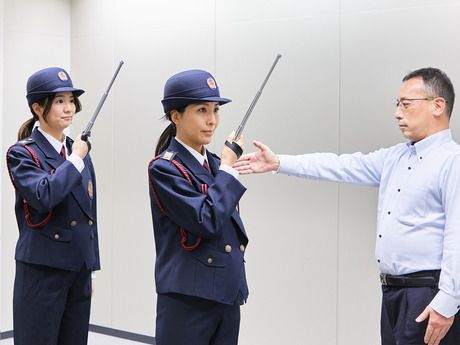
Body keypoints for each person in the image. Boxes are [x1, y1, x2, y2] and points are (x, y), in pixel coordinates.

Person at [234, 67, 460, 345]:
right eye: (397, 104)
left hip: (428, 294)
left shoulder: (452, 161)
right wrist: (279, 162)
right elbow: (340, 165)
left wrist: (448, 301)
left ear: (438, 105)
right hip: (392, 292)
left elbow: (457, 236)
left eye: (406, 104)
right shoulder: (394, 158)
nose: (397, 113)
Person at [148, 69, 249, 345]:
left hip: (226, 293)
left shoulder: (216, 163)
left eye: (215, 110)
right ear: (176, 115)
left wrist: (226, 168)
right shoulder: (165, 168)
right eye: (202, 110)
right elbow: (206, 219)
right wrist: (228, 169)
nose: (212, 121)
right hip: (189, 299)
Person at [6, 67, 99, 345]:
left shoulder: (77, 151)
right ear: (38, 107)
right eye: (59, 101)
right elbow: (44, 196)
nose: (68, 108)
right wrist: (75, 160)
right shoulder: (23, 152)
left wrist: (91, 266)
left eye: (71, 100)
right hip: (42, 271)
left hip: (77, 268)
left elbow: (88, 214)